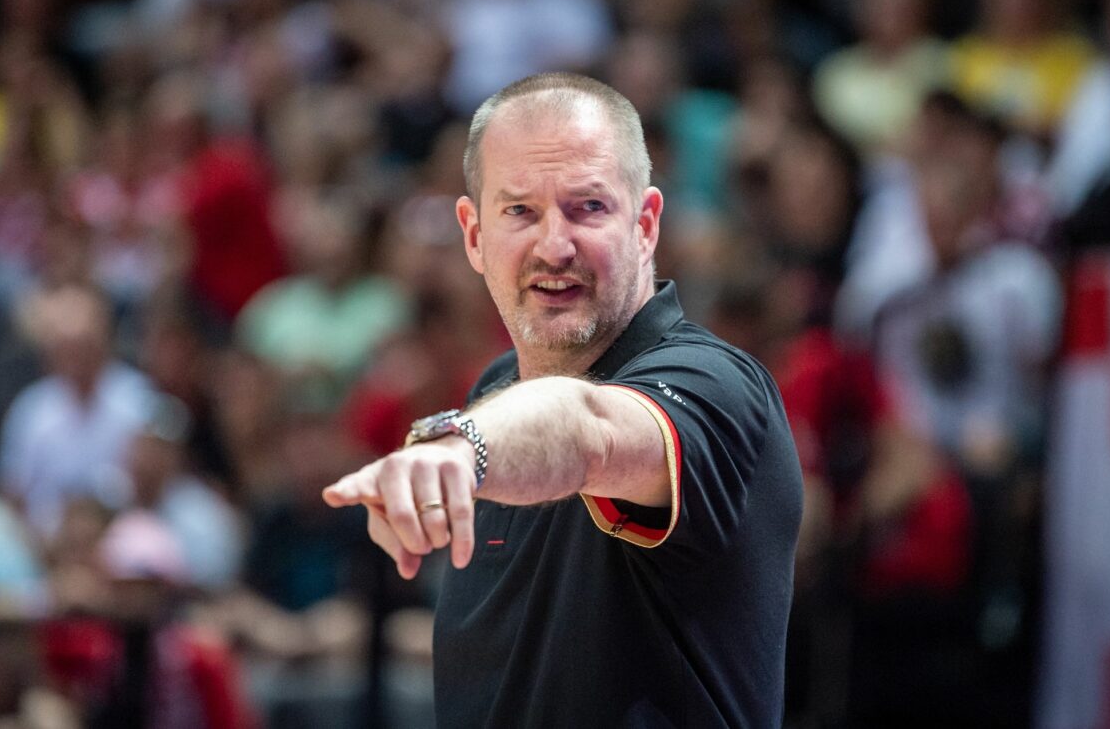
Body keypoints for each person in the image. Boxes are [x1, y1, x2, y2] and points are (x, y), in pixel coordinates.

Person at [322, 72, 803, 727]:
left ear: (646, 223)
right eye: (520, 211)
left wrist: (461, 447)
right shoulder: (493, 392)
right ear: (473, 234)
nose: (554, 246)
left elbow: (588, 427)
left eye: (589, 208)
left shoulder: (714, 384)